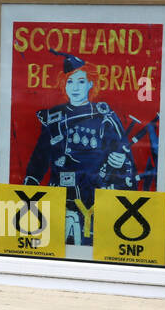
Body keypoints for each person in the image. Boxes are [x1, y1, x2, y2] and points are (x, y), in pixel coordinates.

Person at [24, 49, 136, 245]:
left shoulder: (104, 116)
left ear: (91, 84)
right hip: (59, 200)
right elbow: (38, 161)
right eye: (70, 82)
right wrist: (28, 196)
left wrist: (119, 162)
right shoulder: (53, 118)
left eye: (81, 81)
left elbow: (124, 161)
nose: (75, 87)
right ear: (64, 85)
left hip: (96, 202)